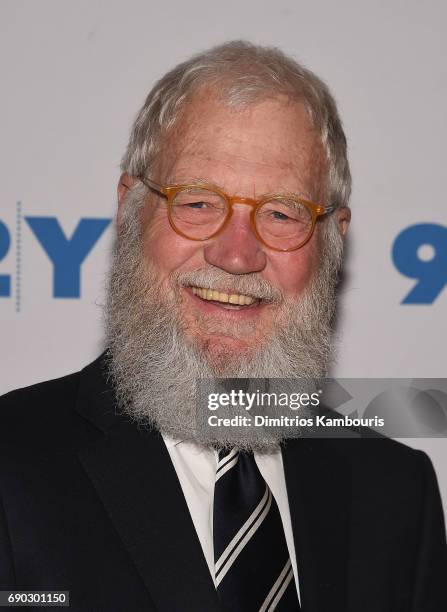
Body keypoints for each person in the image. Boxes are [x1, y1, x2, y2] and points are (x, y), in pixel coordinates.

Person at [0, 41, 446, 612]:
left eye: (282, 213)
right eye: (198, 203)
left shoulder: (397, 491)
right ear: (130, 208)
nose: (237, 256)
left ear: (334, 240)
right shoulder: (10, 465)